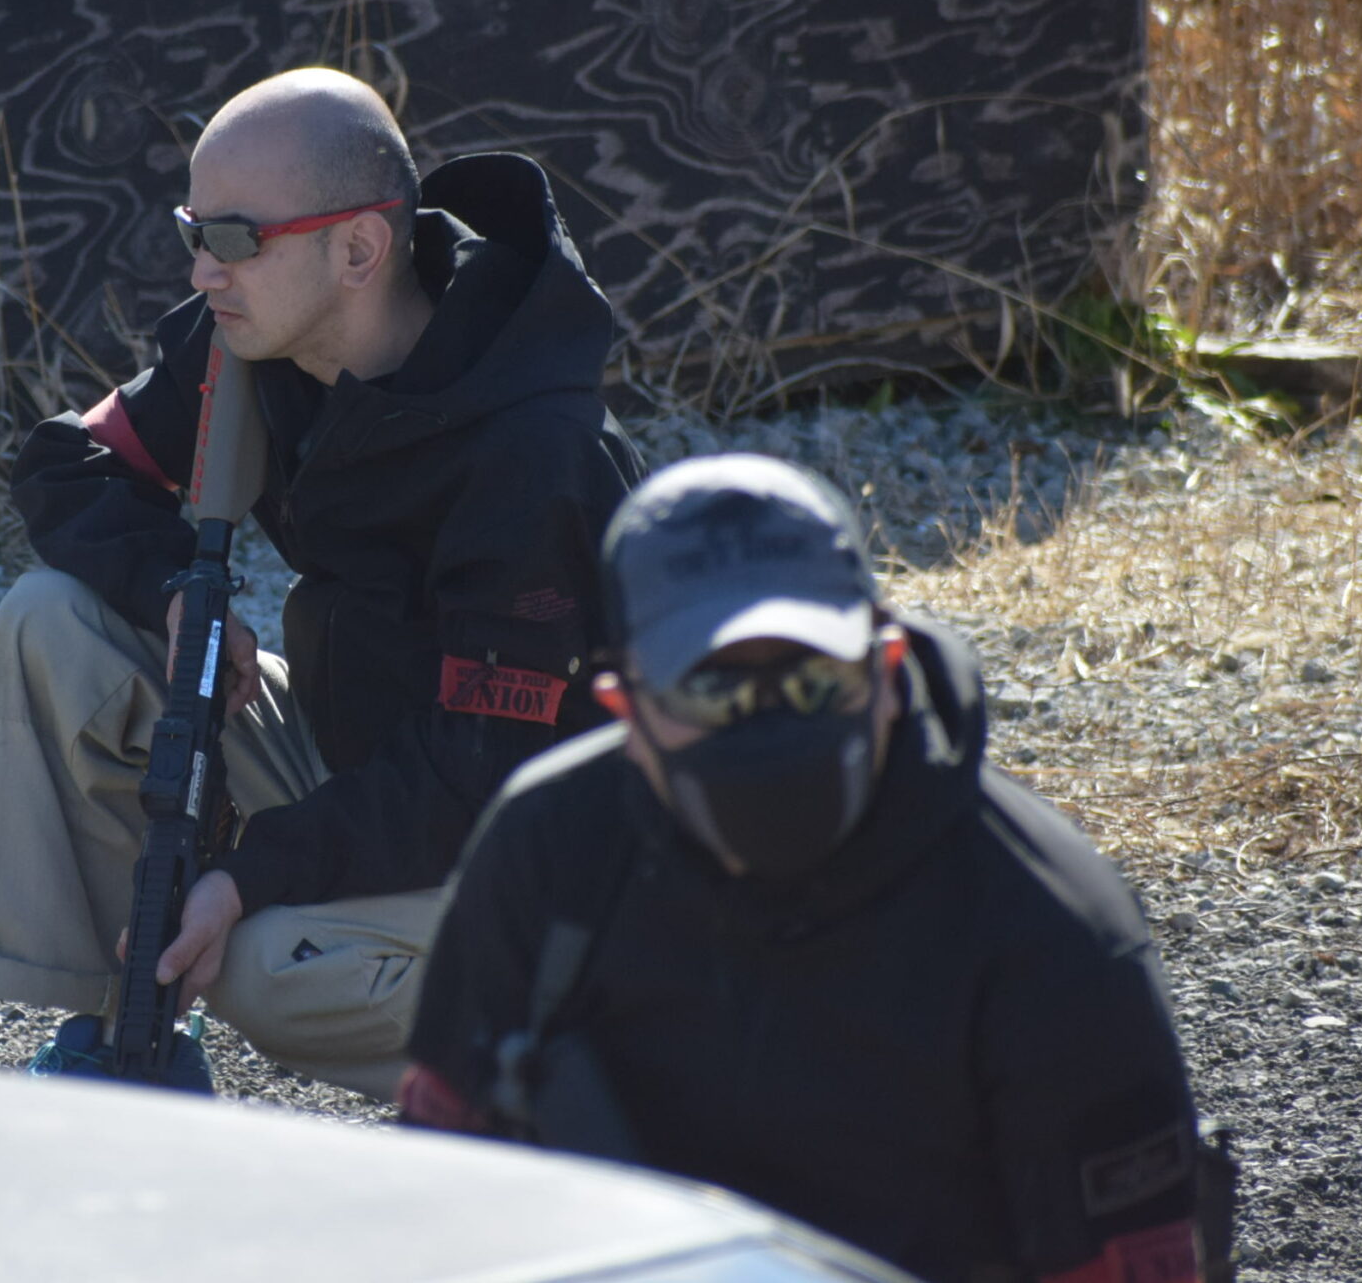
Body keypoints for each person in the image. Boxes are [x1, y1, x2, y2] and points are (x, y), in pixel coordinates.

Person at [0, 67, 643, 1098]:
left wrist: (250, 873)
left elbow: (481, 769)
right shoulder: (254, 342)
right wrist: (174, 594)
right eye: (192, 231)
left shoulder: (535, 453)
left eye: (233, 239)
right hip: (359, 760)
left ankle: (591, 1081)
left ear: (358, 249)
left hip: (531, 851)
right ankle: (118, 1042)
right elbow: (68, 462)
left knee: (263, 961)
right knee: (52, 619)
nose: (202, 272)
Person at [402, 453, 1210, 1283]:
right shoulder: (544, 851)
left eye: (815, 683)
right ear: (626, 706)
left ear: (886, 670)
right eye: (713, 692)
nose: (768, 727)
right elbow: (436, 1206)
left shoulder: (1049, 922)